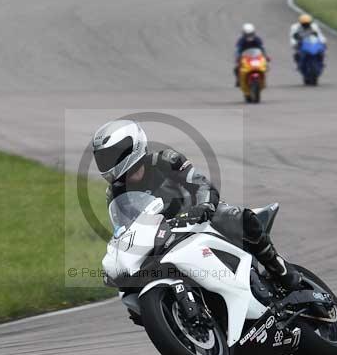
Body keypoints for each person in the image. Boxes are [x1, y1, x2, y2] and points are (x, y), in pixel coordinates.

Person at [92, 119, 303, 296]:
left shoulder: (165, 160)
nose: (108, 162)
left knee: (239, 217)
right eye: (103, 158)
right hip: (164, 239)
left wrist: (203, 207)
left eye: (113, 155)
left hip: (199, 219)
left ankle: (280, 269)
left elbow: (201, 184)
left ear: (133, 146)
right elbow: (125, 230)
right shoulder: (115, 194)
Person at [234, 23, 269, 87]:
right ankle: (238, 79)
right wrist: (237, 57)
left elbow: (262, 48)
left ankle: (263, 79)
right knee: (237, 68)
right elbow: (237, 50)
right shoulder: (241, 40)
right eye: (247, 34)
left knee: (265, 66)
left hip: (256, 56)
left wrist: (266, 56)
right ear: (244, 33)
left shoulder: (257, 39)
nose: (249, 36)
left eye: (250, 34)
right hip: (245, 57)